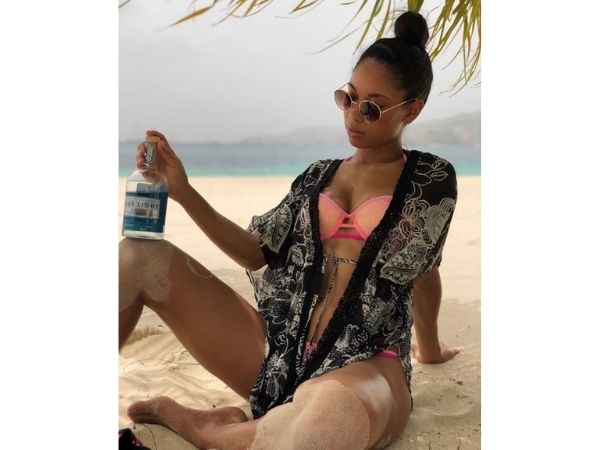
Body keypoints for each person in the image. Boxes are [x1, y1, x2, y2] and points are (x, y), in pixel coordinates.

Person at [119, 10, 459, 450]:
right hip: (279, 355)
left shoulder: (430, 180)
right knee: (138, 256)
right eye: (348, 97)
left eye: (372, 108)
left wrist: (427, 349)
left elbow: (423, 269)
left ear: (412, 109)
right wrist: (183, 192)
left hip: (365, 367)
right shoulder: (316, 177)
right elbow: (254, 252)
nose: (354, 116)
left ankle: (206, 428)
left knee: (330, 422)